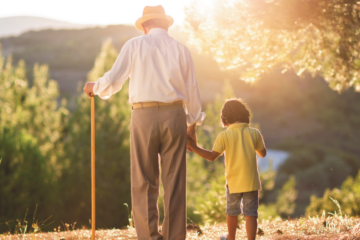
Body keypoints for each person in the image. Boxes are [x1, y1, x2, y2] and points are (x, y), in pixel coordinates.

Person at [83, 5, 205, 240]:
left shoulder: (134, 45)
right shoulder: (181, 49)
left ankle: (149, 237)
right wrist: (192, 125)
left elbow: (114, 78)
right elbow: (193, 91)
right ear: (165, 24)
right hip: (175, 115)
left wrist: (94, 87)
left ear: (145, 25)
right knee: (175, 182)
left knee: (143, 180)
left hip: (143, 116)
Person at [187, 98, 266, 240]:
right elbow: (263, 153)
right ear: (245, 116)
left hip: (233, 182)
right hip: (251, 181)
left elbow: (211, 157)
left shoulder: (224, 135)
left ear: (225, 118)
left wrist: (193, 147)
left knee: (232, 212)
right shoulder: (254, 133)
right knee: (251, 213)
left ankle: (231, 238)